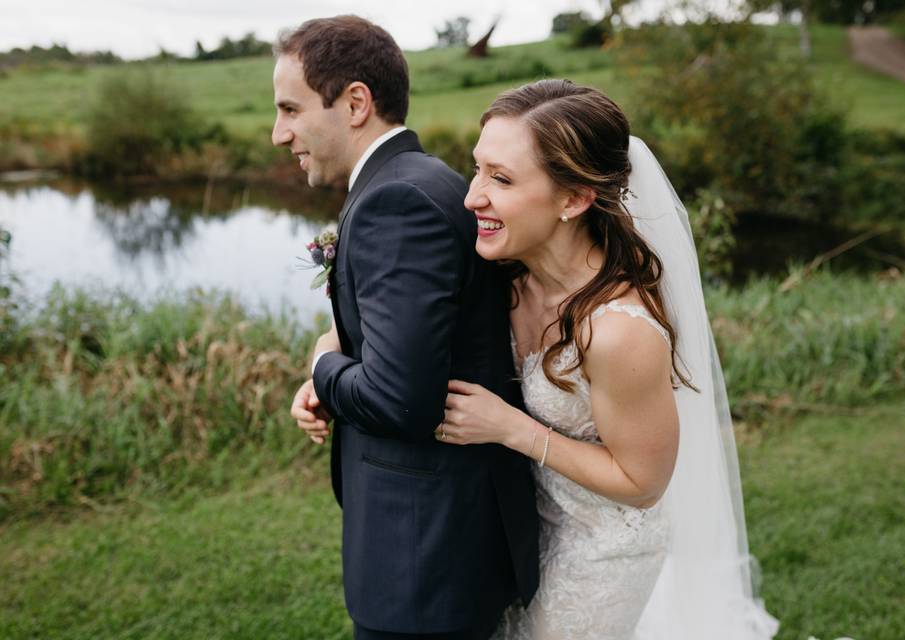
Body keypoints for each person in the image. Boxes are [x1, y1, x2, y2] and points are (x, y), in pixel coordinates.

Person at [435, 79, 780, 640]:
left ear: (573, 200)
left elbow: (643, 483)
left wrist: (511, 428)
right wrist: (327, 363)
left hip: (603, 550)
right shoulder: (502, 270)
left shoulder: (619, 331)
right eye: (477, 169)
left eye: (500, 179)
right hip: (520, 534)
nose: (473, 195)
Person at [277, 16, 539, 639]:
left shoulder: (396, 204)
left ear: (356, 102)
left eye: (291, 109)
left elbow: (402, 399)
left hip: (422, 556)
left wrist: (323, 366)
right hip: (444, 540)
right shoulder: (421, 180)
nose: (277, 132)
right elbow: (418, 348)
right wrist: (336, 367)